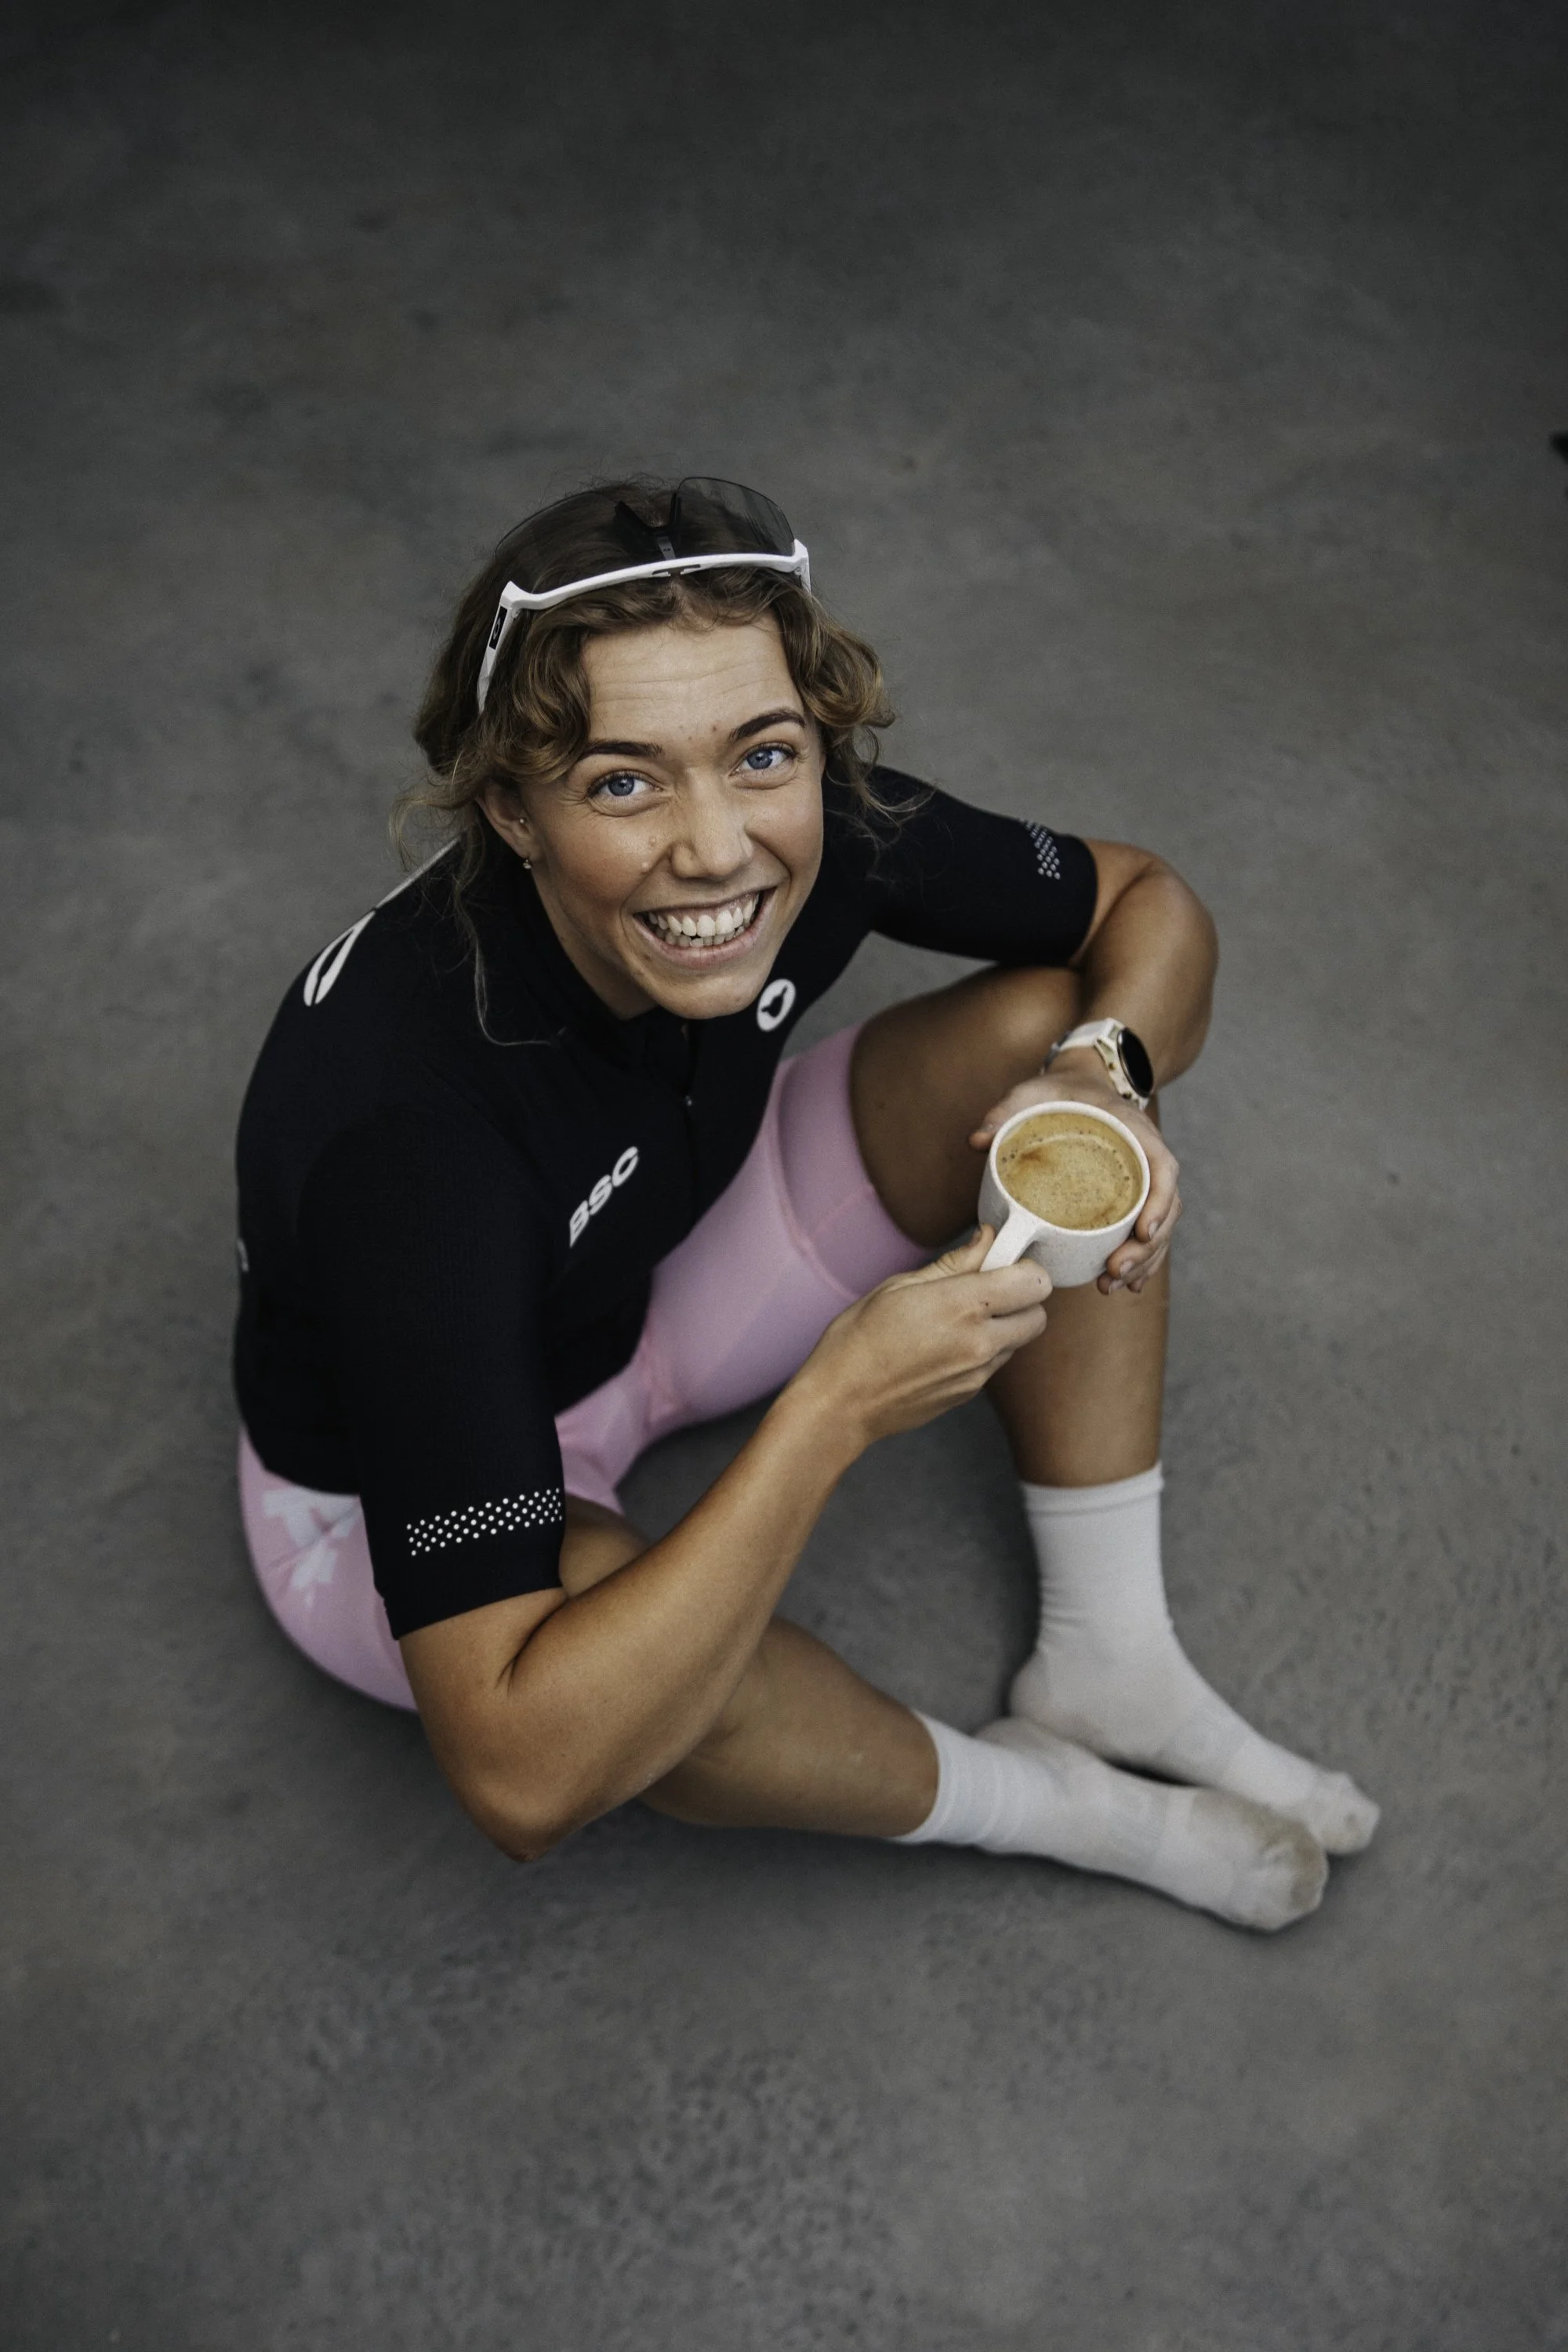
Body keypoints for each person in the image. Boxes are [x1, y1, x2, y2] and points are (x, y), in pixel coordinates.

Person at [234, 476, 1377, 1933]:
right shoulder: (412, 1150)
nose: (717, 850)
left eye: (759, 754)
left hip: (646, 1280)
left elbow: (1147, 904)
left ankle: (1113, 1654)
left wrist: (1106, 1075)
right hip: (384, 1480)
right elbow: (519, 1779)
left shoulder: (815, 821)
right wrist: (838, 1402)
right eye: (624, 781)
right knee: (648, 1693)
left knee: (1056, 1048)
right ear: (513, 809)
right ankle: (1053, 1807)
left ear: (811, 740)